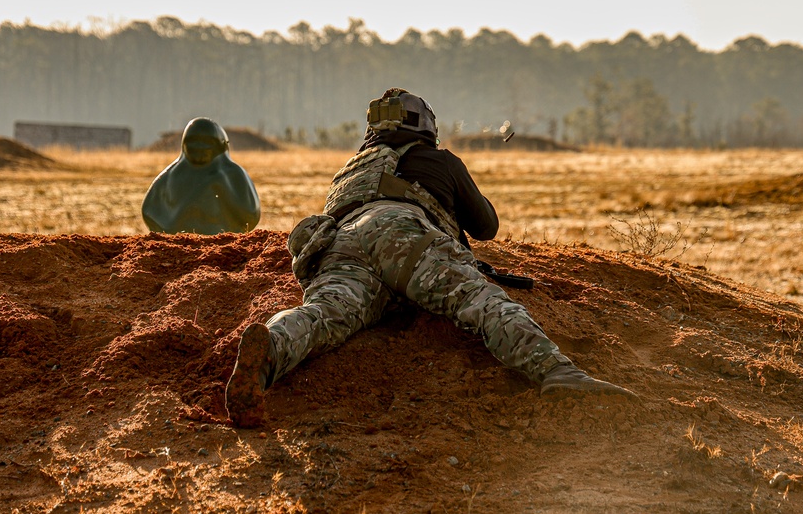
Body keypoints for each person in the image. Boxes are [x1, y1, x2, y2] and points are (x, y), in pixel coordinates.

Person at [225, 89, 637, 427]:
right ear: (424, 126)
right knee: (479, 299)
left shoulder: (350, 170)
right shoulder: (440, 160)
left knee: (324, 313)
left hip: (339, 244)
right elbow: (486, 227)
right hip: (403, 236)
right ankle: (557, 372)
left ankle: (272, 349)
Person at [142, 117, 261, 235]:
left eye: (207, 142)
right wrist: (168, 229)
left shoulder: (233, 174)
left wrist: (222, 187)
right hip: (180, 242)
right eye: (193, 141)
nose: (199, 147)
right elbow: (149, 210)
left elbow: (251, 214)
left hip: (221, 240)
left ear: (220, 145)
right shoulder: (173, 174)